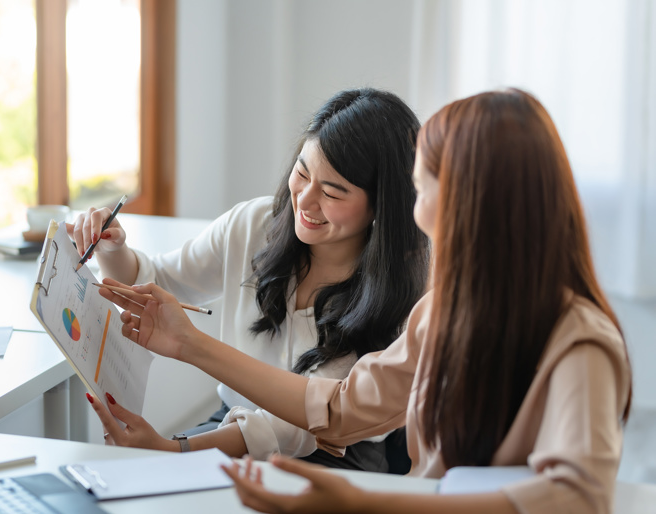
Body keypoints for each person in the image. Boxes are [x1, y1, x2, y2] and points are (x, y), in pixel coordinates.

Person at [98, 88, 633, 513]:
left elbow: (579, 497)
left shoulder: (579, 342)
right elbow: (342, 408)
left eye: (422, 190)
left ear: (472, 205)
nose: (416, 212)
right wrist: (190, 345)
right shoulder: (445, 313)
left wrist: (366, 500)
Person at [72, 87, 430, 472]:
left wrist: (176, 449)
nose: (305, 201)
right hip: (233, 421)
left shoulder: (398, 290)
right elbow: (157, 281)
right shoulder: (254, 225)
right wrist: (112, 249)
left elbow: (305, 423)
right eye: (302, 173)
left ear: (380, 205)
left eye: (331, 192)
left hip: (333, 453)